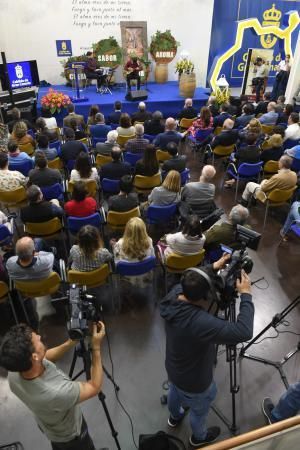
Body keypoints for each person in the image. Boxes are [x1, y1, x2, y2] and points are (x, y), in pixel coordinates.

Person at [160, 257, 254, 447]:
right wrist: (245, 294)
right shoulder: (200, 322)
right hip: (196, 382)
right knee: (199, 411)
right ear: (206, 296)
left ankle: (175, 416)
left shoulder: (173, 295)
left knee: (174, 391)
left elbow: (189, 278)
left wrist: (213, 267)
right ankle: (198, 438)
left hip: (173, 368)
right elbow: (244, 331)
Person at [0, 321, 105, 449]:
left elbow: (44, 357)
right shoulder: (56, 393)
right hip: (72, 438)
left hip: (52, 429)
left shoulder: (14, 373)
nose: (39, 336)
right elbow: (94, 386)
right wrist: (96, 347)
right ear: (34, 356)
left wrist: (71, 342)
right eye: (36, 340)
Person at [113, 217, 155, 286]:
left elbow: (117, 265)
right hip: (145, 276)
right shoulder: (149, 241)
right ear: (143, 230)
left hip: (128, 278)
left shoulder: (119, 244)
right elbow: (153, 257)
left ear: (127, 230)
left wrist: (114, 247)